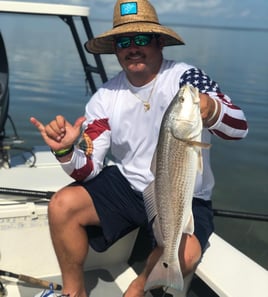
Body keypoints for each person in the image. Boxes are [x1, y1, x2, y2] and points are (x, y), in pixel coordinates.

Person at [30, 0, 248, 296]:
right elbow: (89, 168)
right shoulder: (105, 96)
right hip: (129, 185)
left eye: (142, 39)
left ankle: (140, 282)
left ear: (160, 43)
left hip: (183, 192)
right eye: (123, 41)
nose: (132, 47)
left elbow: (238, 128)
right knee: (61, 205)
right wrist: (66, 151)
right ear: (115, 49)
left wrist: (210, 109)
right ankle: (73, 291)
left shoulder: (186, 79)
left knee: (185, 254)